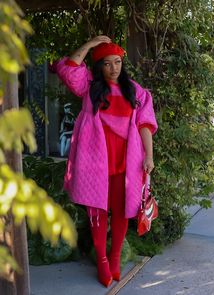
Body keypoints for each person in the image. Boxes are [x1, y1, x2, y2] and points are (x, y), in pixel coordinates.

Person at [55, 35, 158, 287]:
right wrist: (89, 44)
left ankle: (114, 258)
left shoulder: (134, 90)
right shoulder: (89, 86)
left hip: (127, 162)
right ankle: (101, 260)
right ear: (98, 66)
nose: (114, 68)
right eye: (107, 63)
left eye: (118, 62)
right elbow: (69, 68)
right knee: (98, 212)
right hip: (95, 163)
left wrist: (149, 156)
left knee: (122, 212)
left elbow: (145, 124)